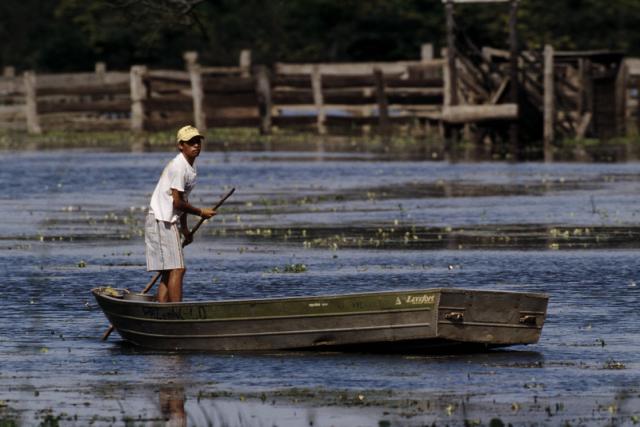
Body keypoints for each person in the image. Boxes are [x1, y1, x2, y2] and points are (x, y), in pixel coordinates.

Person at [145, 125, 216, 303]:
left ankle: (163, 311)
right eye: (191, 142)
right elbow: (177, 202)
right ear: (180, 145)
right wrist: (200, 212)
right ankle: (176, 312)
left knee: (170, 271)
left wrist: (185, 230)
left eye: (198, 141)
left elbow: (182, 202)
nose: (196, 146)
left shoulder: (189, 168)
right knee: (177, 269)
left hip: (167, 220)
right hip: (161, 220)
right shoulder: (179, 167)